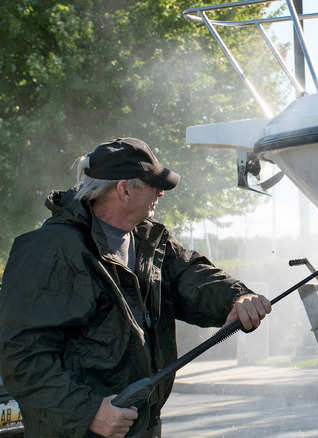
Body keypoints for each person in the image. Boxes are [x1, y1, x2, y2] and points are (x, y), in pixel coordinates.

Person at [0, 138, 272, 438]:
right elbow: (21, 355)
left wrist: (237, 297)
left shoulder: (149, 240)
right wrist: (88, 412)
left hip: (141, 428)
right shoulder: (49, 250)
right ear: (124, 189)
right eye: (153, 184)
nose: (161, 191)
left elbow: (190, 276)